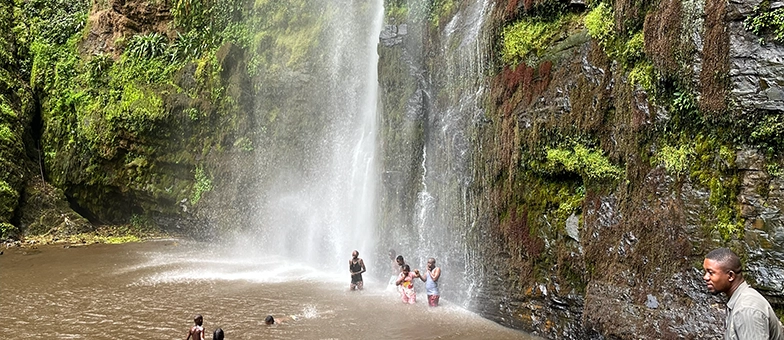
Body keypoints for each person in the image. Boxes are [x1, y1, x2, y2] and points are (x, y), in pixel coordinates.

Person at [703, 248, 784, 340]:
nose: (705, 277)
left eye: (710, 272)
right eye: (705, 272)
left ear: (730, 276)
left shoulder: (746, 309)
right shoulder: (740, 300)